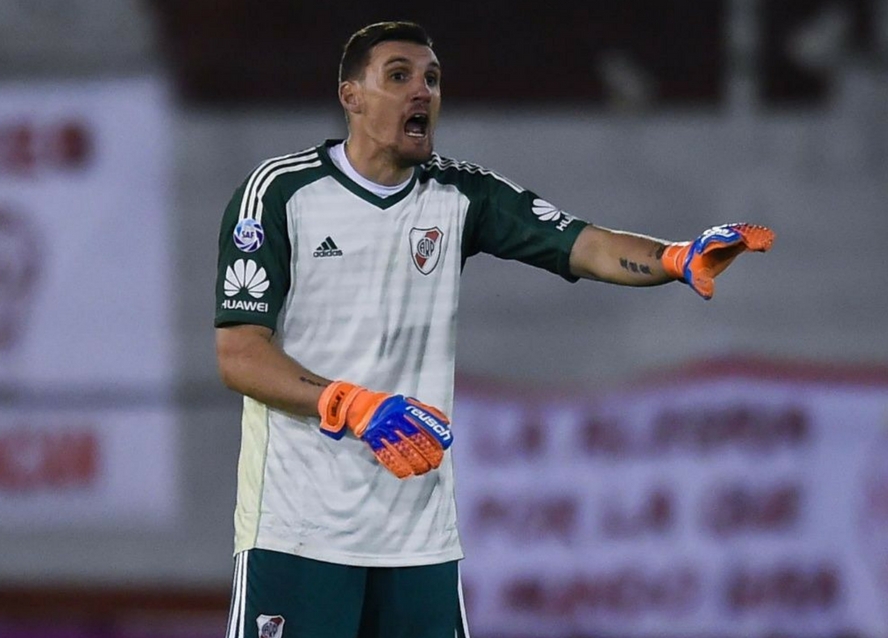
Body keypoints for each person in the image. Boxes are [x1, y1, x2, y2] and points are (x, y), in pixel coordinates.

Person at [214, 20, 774, 638]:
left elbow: (584, 244)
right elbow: (240, 354)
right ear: (351, 96)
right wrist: (351, 404)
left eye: (432, 79)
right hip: (299, 531)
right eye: (398, 76)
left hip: (417, 540)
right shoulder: (280, 193)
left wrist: (674, 257)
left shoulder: (462, 195)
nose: (422, 91)